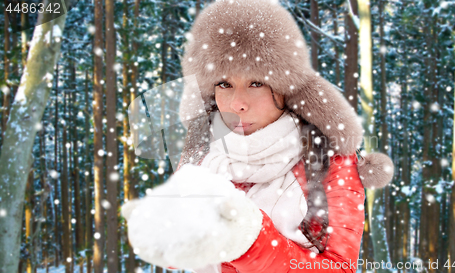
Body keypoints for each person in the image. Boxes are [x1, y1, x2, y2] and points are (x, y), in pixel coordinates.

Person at [122, 0, 394, 272]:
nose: (237, 103)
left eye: (256, 83)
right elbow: (181, 259)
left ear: (286, 87)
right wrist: (160, 234)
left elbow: (339, 267)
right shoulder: (205, 152)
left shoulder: (328, 161)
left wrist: (248, 240)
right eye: (224, 84)